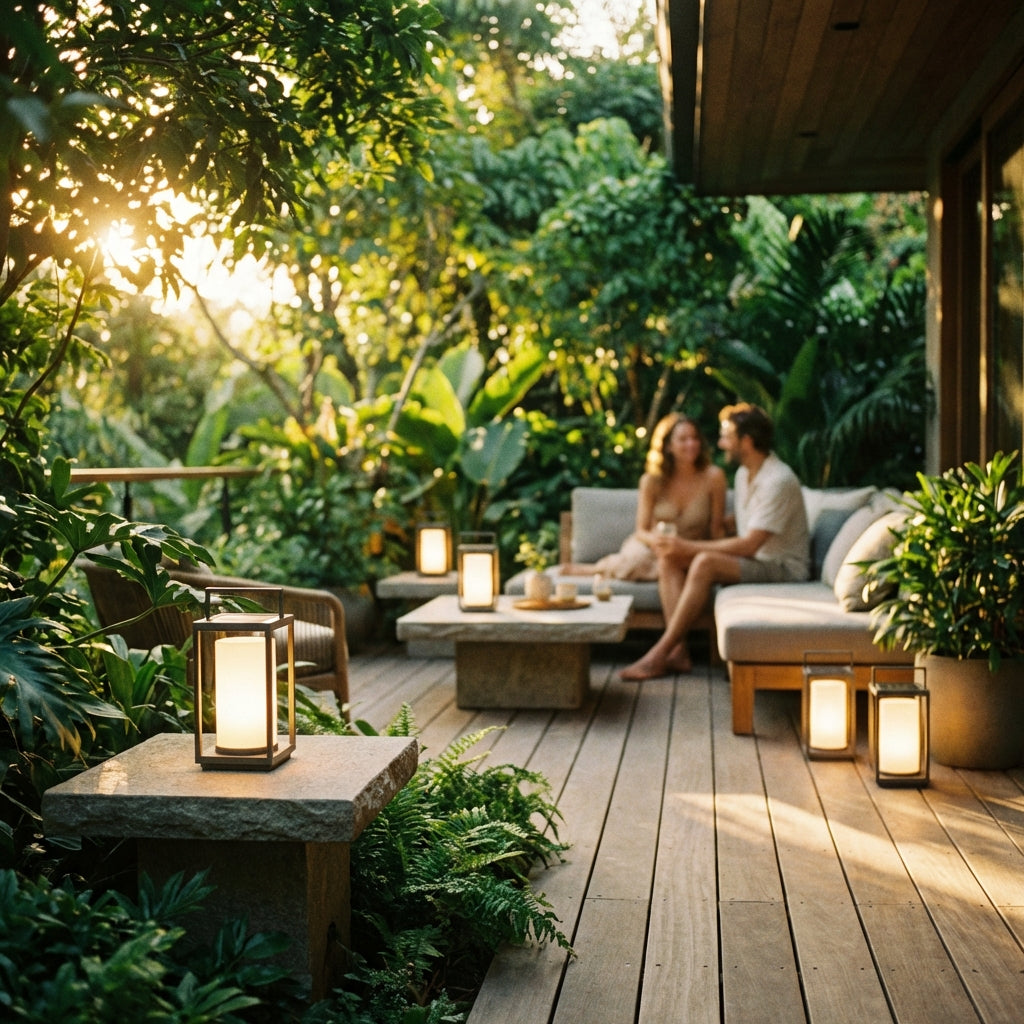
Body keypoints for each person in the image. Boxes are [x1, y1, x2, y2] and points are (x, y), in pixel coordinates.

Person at [620, 402, 809, 681]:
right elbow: (749, 522)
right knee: (670, 559)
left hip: (782, 567)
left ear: (746, 441)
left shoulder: (778, 480)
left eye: (727, 437)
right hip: (755, 559)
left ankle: (658, 654)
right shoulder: (745, 474)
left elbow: (748, 545)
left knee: (705, 562)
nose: (720, 444)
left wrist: (688, 546)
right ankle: (679, 652)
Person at [564, 413, 727, 596]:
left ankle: (598, 569)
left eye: (695, 438)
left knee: (675, 564)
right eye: (683, 439)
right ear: (668, 446)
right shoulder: (651, 480)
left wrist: (714, 553)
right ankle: (600, 569)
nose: (691, 444)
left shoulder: (714, 477)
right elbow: (641, 530)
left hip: (688, 547)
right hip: (652, 546)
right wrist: (658, 541)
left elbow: (716, 530)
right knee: (638, 560)